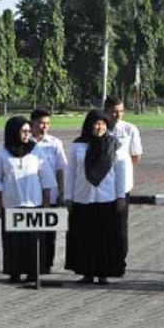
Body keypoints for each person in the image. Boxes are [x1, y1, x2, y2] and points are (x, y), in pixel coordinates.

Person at [0, 116, 56, 283]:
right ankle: (14, 271)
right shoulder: (1, 152)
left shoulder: (36, 150)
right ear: (13, 132)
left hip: (33, 204)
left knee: (33, 240)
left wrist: (47, 203)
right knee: (13, 241)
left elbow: (46, 177)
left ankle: (33, 272)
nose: (27, 134)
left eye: (28, 131)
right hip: (11, 204)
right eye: (23, 131)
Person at [65, 109, 128, 285]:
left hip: (106, 198)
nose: (98, 127)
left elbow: (121, 172)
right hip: (82, 198)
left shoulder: (114, 144)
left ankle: (103, 273)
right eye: (95, 123)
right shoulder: (78, 146)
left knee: (104, 239)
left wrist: (121, 196)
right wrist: (68, 196)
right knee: (85, 238)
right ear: (88, 125)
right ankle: (86, 273)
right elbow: (70, 172)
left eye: (102, 124)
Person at [105, 96, 142, 260]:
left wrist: (122, 172)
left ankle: (120, 260)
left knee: (120, 225)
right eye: (114, 111)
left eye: (121, 111)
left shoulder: (129, 129)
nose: (118, 115)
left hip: (122, 184)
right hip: (102, 184)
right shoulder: (100, 127)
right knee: (105, 224)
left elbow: (135, 156)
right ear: (106, 111)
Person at [30, 108, 67, 268]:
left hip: (50, 195)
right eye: (41, 123)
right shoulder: (25, 141)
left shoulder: (55, 143)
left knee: (48, 233)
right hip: (29, 195)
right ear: (32, 123)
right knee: (30, 232)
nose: (44, 127)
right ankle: (30, 264)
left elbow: (60, 168)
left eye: (47, 123)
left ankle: (46, 264)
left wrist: (61, 191)